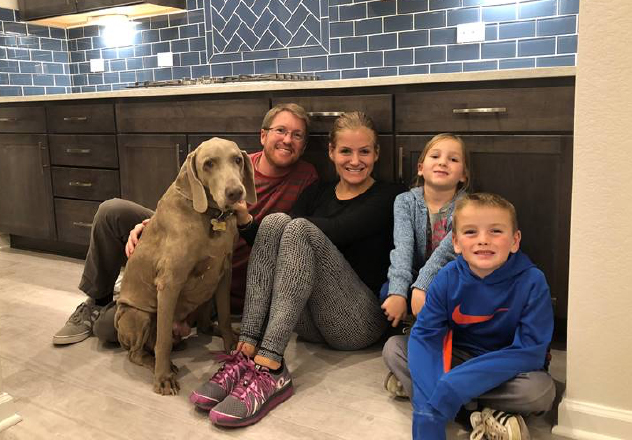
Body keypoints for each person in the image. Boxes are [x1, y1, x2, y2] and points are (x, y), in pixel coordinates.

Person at [189, 111, 404, 427]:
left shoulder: (389, 195)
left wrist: (283, 228)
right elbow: (275, 238)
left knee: (295, 227)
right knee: (277, 222)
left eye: (364, 152)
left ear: (377, 154)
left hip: (358, 324)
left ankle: (271, 365)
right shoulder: (316, 191)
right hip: (308, 324)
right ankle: (247, 350)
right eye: (345, 151)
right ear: (331, 152)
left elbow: (340, 228)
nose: (355, 160)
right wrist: (248, 221)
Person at [52, 103, 318, 346]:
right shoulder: (236, 159)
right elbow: (183, 201)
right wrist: (154, 225)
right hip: (188, 240)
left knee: (109, 330)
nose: (287, 140)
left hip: (217, 275)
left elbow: (285, 247)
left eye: (297, 135)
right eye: (280, 130)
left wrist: (245, 220)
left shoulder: (306, 179)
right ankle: (96, 301)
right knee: (112, 212)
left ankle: (140, 293)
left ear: (304, 146)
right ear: (263, 135)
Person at [406, 193, 555, 440]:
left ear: (515, 240)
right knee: (395, 350)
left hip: (506, 366)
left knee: (540, 391)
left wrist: (454, 386)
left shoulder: (532, 281)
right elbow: (425, 337)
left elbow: (530, 351)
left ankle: (456, 403)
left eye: (496, 231)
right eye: (471, 232)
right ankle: (484, 412)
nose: (483, 240)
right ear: (455, 242)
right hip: (458, 357)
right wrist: (426, 413)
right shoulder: (446, 277)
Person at [380, 133, 469, 397]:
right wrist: (399, 291)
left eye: (453, 159)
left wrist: (422, 286)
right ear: (421, 167)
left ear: (463, 174)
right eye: (435, 156)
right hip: (415, 276)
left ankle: (436, 353)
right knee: (387, 293)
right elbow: (403, 248)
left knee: (451, 299)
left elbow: (448, 254)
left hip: (452, 279)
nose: (443, 163)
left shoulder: (466, 205)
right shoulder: (405, 201)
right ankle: (413, 342)